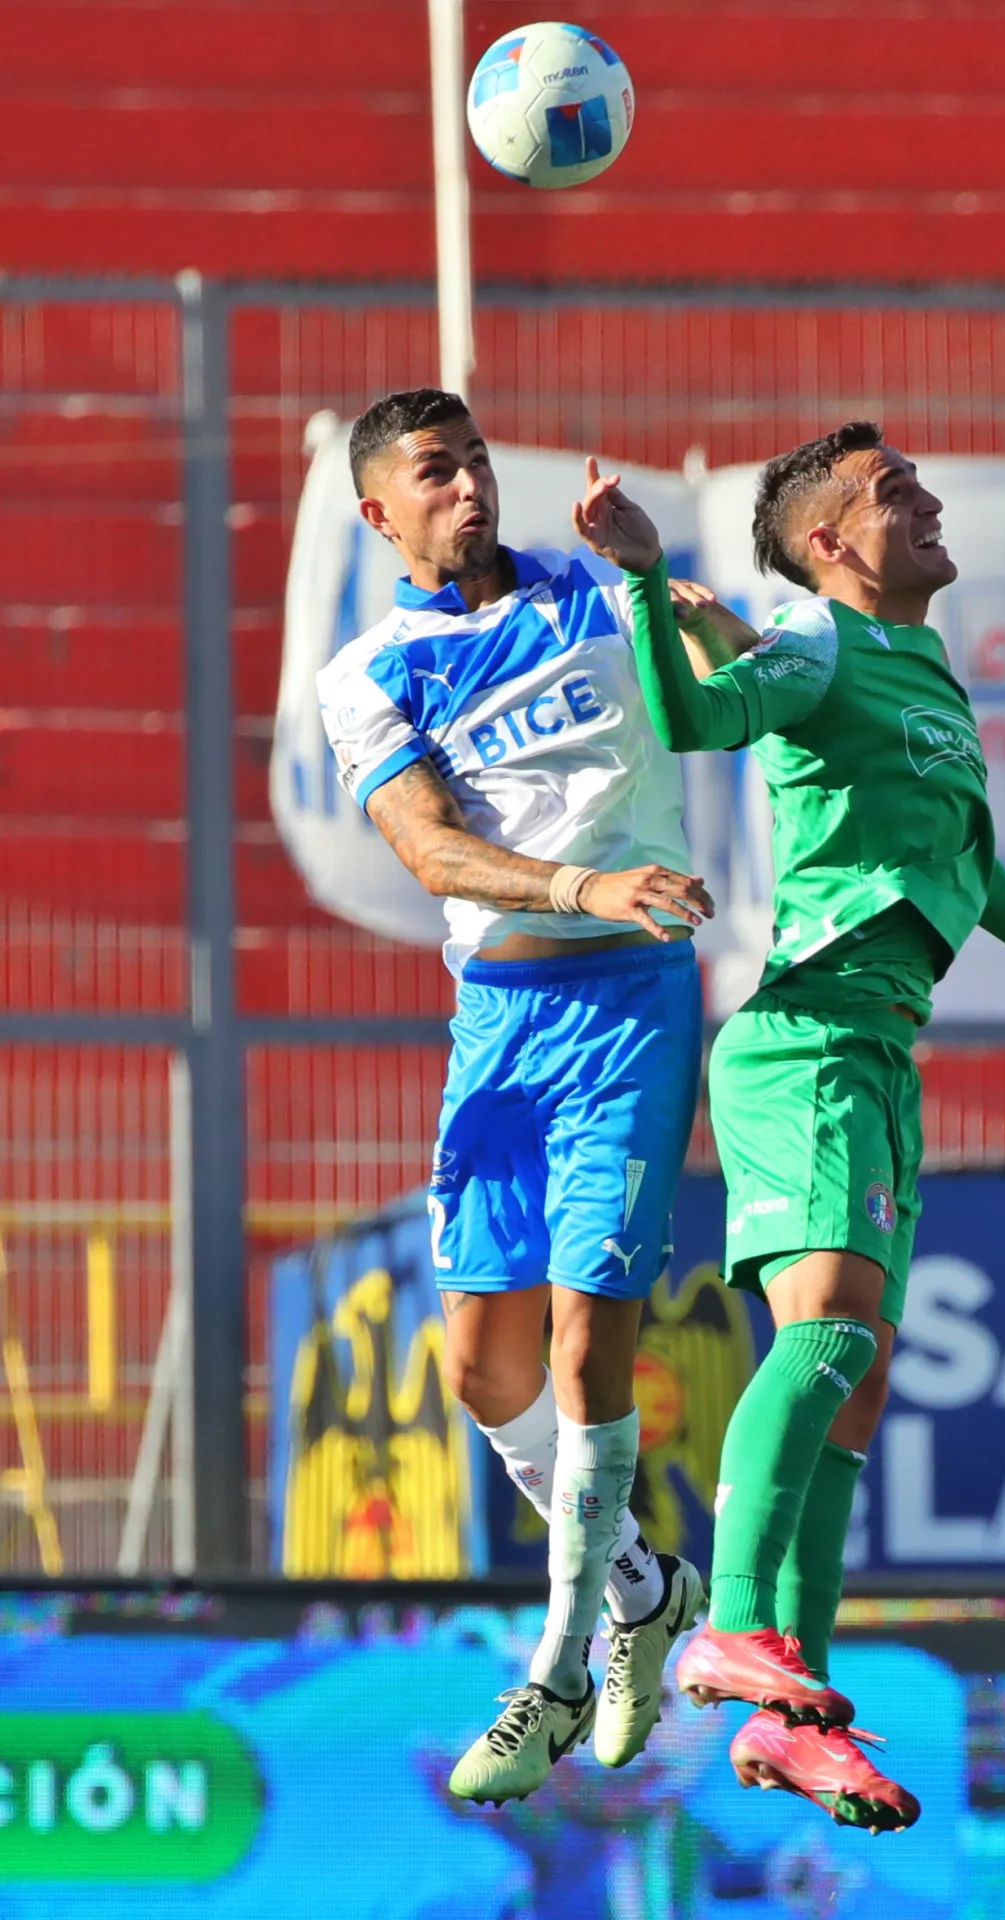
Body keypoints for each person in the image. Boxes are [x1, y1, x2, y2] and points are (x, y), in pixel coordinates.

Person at [572, 422, 1005, 1835]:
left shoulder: (921, 666)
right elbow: (699, 721)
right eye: (895, 492)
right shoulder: (818, 642)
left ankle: (794, 1717)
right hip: (805, 1041)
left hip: (882, 1056)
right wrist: (645, 582)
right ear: (830, 543)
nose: (930, 499)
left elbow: (967, 864)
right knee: (827, 1337)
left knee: (862, 1377)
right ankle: (730, 1628)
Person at [317, 387, 717, 1805]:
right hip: (498, 1021)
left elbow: (745, 678)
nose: (470, 487)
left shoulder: (599, 596)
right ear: (380, 512)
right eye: (436, 472)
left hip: (631, 1004)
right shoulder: (368, 672)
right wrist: (578, 884)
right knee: (483, 1367)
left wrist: (664, 578)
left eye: (477, 461)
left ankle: (557, 1673)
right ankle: (644, 1591)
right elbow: (430, 851)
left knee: (584, 1338)